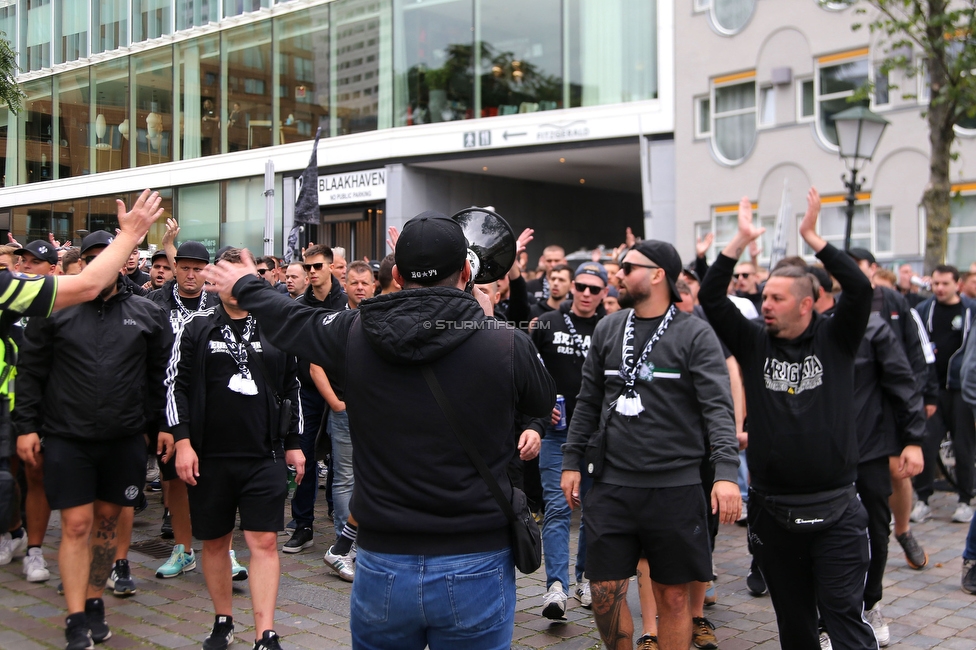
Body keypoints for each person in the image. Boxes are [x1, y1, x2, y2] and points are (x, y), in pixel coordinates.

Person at [209, 210, 556, 649]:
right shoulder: (506, 342)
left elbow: (291, 322)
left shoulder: (354, 332)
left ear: (394, 274)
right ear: (468, 272)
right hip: (476, 556)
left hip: (382, 560)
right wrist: (483, 319)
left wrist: (245, 285)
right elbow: (542, 400)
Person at [699, 189, 877, 650]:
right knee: (795, 627)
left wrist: (813, 237)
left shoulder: (837, 338)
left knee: (843, 617)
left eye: (777, 297)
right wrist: (737, 241)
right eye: (765, 295)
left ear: (807, 303)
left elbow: (859, 288)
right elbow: (711, 297)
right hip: (774, 511)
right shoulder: (754, 340)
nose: (766, 303)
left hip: (837, 508)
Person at [560, 239, 740, 650]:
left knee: (673, 595)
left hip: (675, 486)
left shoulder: (695, 333)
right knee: (604, 591)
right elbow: (588, 401)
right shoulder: (608, 327)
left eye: (628, 266)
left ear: (658, 274)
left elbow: (718, 409)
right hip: (611, 483)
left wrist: (726, 474)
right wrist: (571, 461)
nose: (618, 274)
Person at [14, 229, 171, 650]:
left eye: (110, 255)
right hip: (67, 436)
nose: (102, 262)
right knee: (76, 523)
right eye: (93, 256)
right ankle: (75, 615)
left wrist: (162, 427)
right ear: (83, 263)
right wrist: (26, 426)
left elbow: (159, 378)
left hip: (123, 438)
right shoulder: (55, 311)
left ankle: (95, 599)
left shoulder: (146, 313)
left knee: (105, 523)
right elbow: (30, 373)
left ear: (122, 262)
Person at [166, 247, 304, 650]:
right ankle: (223, 620)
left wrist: (294, 444)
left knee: (263, 542)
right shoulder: (196, 327)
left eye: (237, 274)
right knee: (215, 542)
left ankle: (265, 633)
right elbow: (174, 386)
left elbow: (291, 387)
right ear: (214, 281)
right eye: (220, 276)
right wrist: (183, 442)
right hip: (209, 457)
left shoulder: (274, 328)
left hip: (264, 455)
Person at [532, 262, 608, 620]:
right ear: (571, 287)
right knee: (558, 509)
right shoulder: (548, 322)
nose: (587, 294)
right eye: (582, 286)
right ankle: (556, 586)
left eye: (595, 288)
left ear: (605, 292)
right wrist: (541, 404)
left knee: (593, 511)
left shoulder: (613, 328)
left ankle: (585, 578)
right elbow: (529, 371)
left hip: (598, 436)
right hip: (557, 434)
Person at [280, 245, 346, 559]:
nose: (312, 272)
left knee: (340, 459)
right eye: (308, 267)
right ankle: (302, 524)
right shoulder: (300, 305)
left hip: (341, 390)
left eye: (317, 266)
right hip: (306, 391)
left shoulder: (345, 301)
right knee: (302, 455)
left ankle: (341, 520)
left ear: (331, 266)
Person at [912, 265, 976, 523]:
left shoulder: (970, 310)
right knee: (926, 443)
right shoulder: (925, 310)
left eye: (945, 284)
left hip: (960, 389)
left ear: (957, 285)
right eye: (936, 283)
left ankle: (964, 500)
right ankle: (923, 499)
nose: (939, 288)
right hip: (933, 389)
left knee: (963, 447)